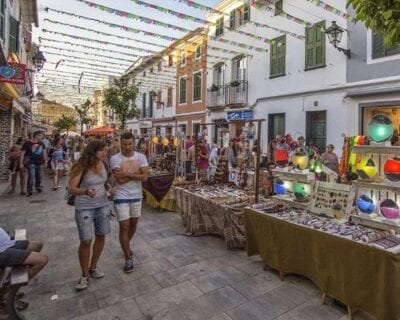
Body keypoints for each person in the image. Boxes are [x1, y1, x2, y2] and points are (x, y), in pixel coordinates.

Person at [68, 140, 112, 290]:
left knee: (101, 236)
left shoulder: (105, 164)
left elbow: (104, 183)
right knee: (86, 241)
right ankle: (84, 274)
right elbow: (72, 188)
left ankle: (93, 267)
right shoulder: (82, 166)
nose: (105, 153)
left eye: (106, 150)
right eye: (101, 151)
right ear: (93, 151)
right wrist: (85, 191)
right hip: (84, 208)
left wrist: (109, 189)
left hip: (103, 205)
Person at [110, 132, 149, 273]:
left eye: (130, 144)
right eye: (124, 144)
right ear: (120, 143)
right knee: (124, 226)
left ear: (134, 143)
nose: (127, 147)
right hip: (121, 195)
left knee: (134, 224)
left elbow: (145, 177)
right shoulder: (115, 159)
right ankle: (128, 258)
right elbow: (119, 180)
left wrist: (126, 174)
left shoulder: (141, 157)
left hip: (136, 195)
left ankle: (125, 245)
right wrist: (136, 174)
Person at [20, 131, 46, 197]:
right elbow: (22, 153)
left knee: (39, 176)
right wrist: (21, 163)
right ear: (36, 135)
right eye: (41, 135)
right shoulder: (27, 143)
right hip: (30, 162)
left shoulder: (41, 143)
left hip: (39, 162)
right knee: (31, 176)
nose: (42, 137)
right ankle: (29, 190)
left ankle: (37, 187)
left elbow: (44, 153)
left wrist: (45, 161)